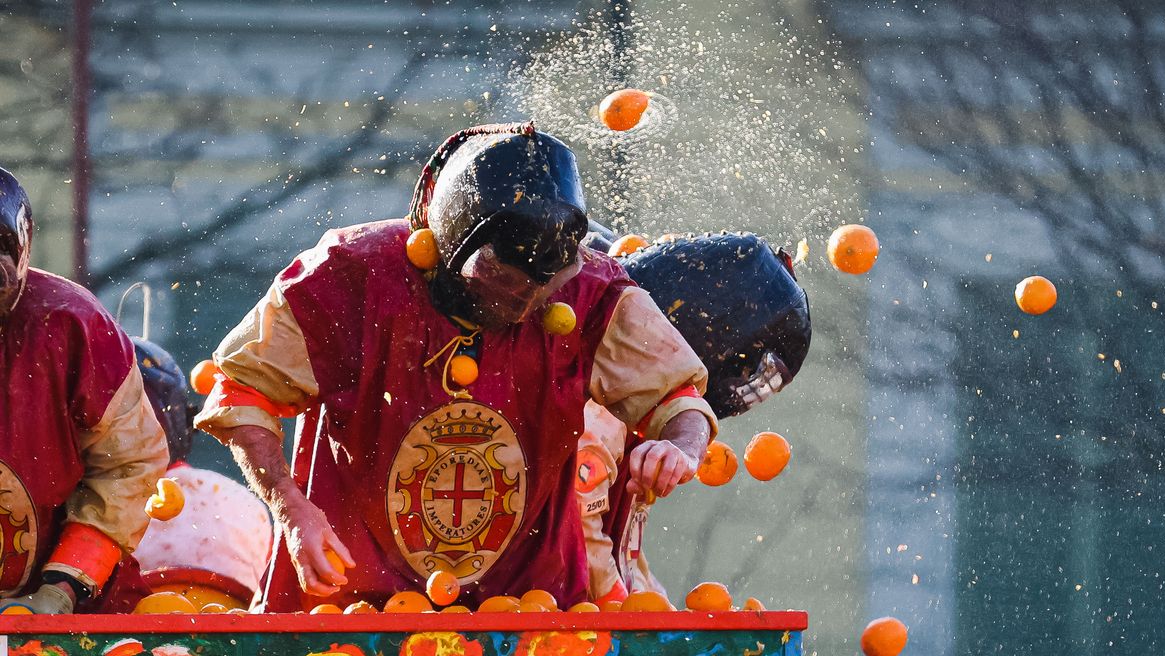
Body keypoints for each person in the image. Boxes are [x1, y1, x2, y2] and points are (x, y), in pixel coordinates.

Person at [194, 122, 718, 612]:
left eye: (544, 290)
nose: (523, 304)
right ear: (449, 245)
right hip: (348, 608)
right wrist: (289, 507)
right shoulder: (349, 277)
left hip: (528, 616)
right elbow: (241, 390)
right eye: (504, 283)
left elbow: (678, 401)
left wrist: (681, 447)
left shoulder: (595, 297)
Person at [576, 229, 812, 601]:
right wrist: (632, 623)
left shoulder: (636, 420)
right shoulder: (601, 414)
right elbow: (580, 532)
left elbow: (621, 553)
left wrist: (659, 611)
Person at [0, 167, 169, 614]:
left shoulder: (73, 325)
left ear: (18, 255)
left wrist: (61, 589)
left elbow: (130, 465)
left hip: (74, 612)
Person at [130, 339, 272, 611]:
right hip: (238, 644)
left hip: (124, 646)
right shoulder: (245, 502)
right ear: (186, 420)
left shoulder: (100, 509)